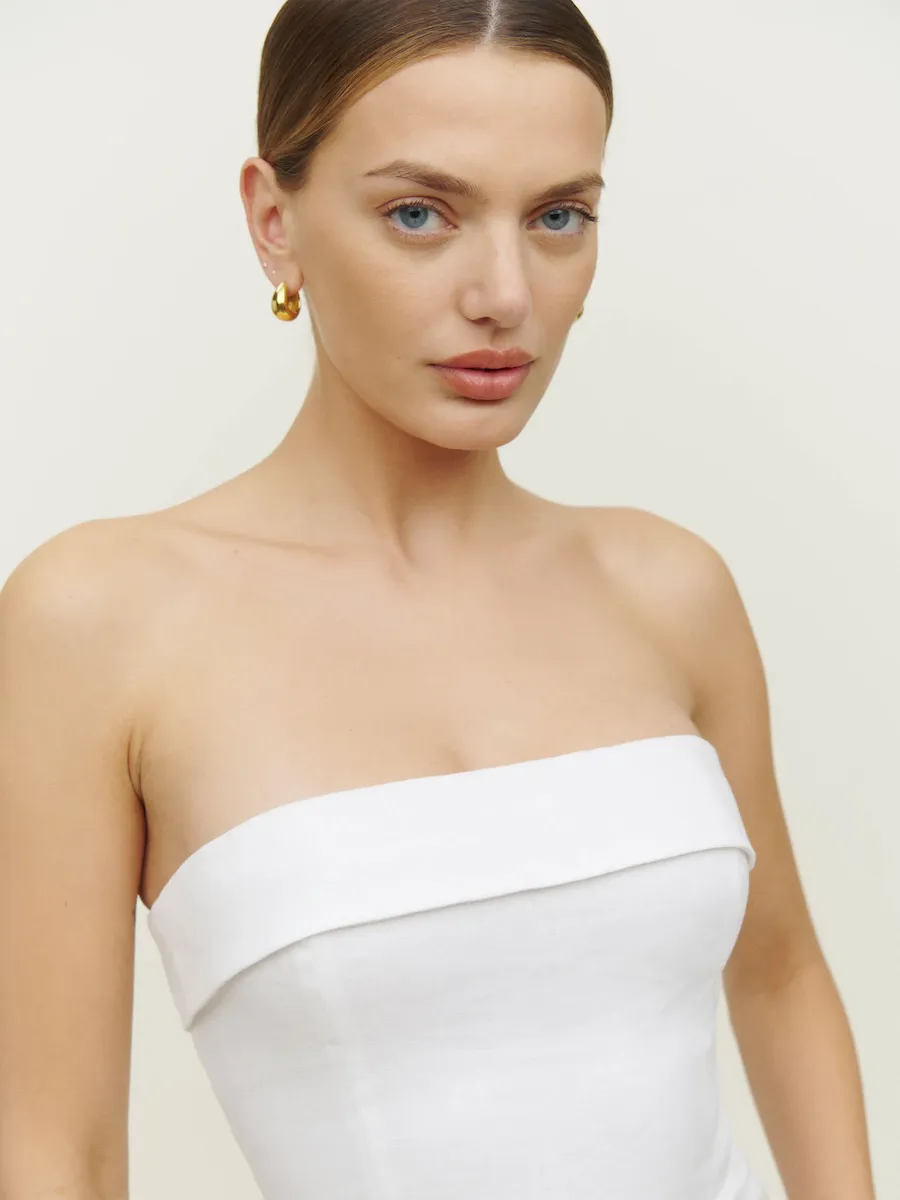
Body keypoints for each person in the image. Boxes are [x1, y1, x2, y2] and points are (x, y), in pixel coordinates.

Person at [0, 1, 878, 1198]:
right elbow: (57, 1150)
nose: (505, 294)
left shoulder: (669, 589)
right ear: (274, 222)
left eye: (559, 216)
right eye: (421, 213)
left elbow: (779, 975)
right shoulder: (98, 624)